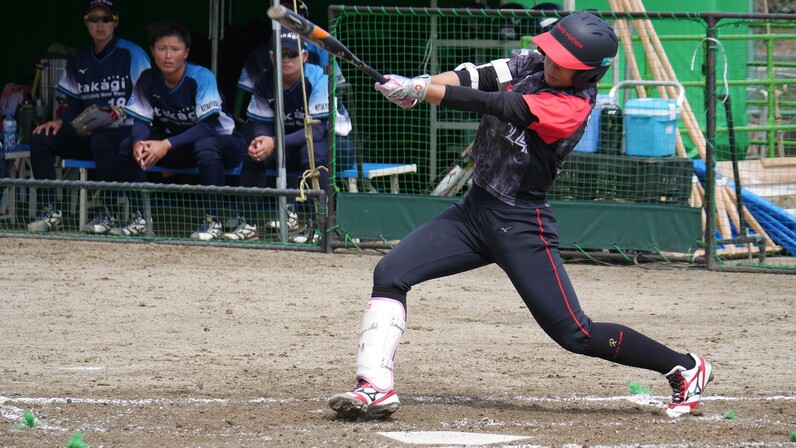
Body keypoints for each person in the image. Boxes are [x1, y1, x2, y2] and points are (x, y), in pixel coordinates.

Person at [328, 13, 713, 420]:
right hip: (474, 211)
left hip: (520, 223)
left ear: (586, 75)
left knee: (575, 333)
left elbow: (500, 103)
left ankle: (685, 367)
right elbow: (477, 77)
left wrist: (423, 91)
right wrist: (419, 84)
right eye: (552, 52)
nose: (551, 62)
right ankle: (374, 387)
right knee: (390, 273)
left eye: (564, 61)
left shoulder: (571, 107)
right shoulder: (534, 61)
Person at [113, 20, 246, 240]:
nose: (168, 56)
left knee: (206, 145)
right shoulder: (148, 79)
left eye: (175, 49)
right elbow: (141, 122)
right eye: (161, 49)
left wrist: (166, 144)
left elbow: (208, 127)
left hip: (225, 144)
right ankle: (141, 218)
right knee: (127, 146)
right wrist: (138, 141)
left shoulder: (201, 77)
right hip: (183, 145)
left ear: (186, 53)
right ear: (152, 51)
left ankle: (213, 221)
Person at [27, 0, 150, 233]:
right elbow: (74, 104)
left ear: (115, 22)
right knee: (41, 137)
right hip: (88, 131)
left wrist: (118, 113)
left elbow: (146, 98)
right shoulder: (79, 60)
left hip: (125, 130)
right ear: (87, 24)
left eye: (106, 19)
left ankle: (108, 213)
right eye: (94, 19)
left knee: (101, 138)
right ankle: (51, 211)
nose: (100, 24)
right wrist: (60, 121)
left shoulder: (131, 54)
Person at [223, 30, 330, 242]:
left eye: (292, 54)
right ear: (271, 56)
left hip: (331, 143)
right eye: (280, 54)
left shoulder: (318, 77)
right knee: (252, 155)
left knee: (310, 156)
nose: (286, 59)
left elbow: (316, 130)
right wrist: (261, 142)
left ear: (305, 56)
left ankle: (319, 226)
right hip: (287, 141)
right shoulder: (265, 79)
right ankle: (248, 225)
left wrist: (274, 142)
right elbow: (261, 124)